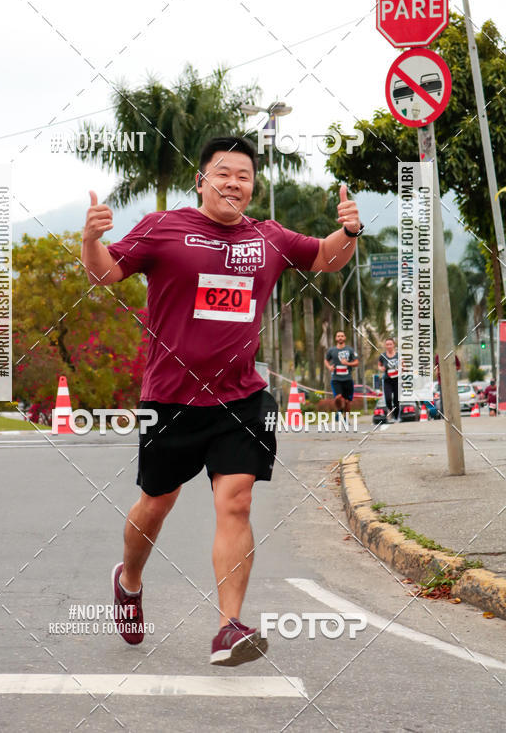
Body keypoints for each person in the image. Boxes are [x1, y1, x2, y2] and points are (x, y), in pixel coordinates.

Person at [81, 135, 362, 666]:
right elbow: (105, 273)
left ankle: (229, 626)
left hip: (241, 399)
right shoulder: (165, 229)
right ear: (202, 181)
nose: (234, 183)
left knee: (236, 501)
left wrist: (348, 230)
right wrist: (92, 239)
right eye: (223, 173)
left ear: (253, 186)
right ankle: (130, 579)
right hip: (170, 400)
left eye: (244, 176)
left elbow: (326, 259)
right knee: (155, 505)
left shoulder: (269, 237)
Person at [324, 331, 359, 413]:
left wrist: (348, 363)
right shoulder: (332, 350)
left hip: (347, 379)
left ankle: (346, 418)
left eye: (342, 336)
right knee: (338, 397)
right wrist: (329, 367)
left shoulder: (350, 349)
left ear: (345, 338)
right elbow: (326, 360)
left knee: (347, 401)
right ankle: (339, 411)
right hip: (336, 379)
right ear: (336, 338)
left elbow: (356, 362)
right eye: (338, 336)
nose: (340, 337)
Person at [378, 337, 399, 422]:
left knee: (397, 400)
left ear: (393, 345)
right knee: (388, 398)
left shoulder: (398, 355)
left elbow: (403, 365)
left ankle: (396, 417)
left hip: (397, 380)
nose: (389, 346)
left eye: (390, 344)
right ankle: (390, 410)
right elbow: (379, 365)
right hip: (387, 380)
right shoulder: (382, 356)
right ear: (385, 346)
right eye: (387, 344)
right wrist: (381, 368)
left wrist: (402, 368)